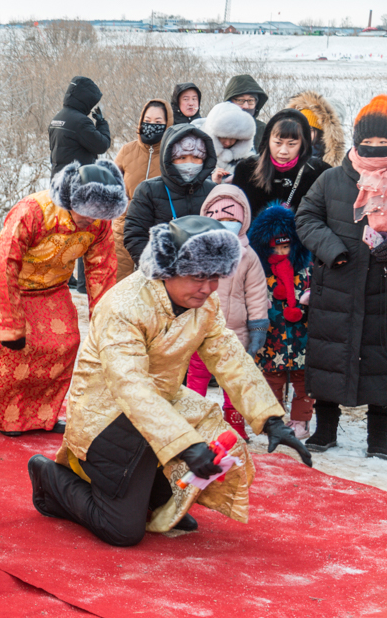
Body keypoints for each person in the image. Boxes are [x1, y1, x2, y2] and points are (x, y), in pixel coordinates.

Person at [27, 215, 312, 547]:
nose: (207, 288)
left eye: (214, 277)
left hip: (161, 407)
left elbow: (228, 355)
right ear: (167, 269)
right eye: (197, 277)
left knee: (192, 472)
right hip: (108, 415)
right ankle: (50, 476)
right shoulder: (124, 305)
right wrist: (186, 446)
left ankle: (150, 486)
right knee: (123, 531)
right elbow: (130, 387)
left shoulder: (204, 303)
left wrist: (271, 419)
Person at [0, 161, 125, 436]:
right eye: (85, 214)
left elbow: (102, 270)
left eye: (97, 216)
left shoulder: (100, 224)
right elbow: (4, 263)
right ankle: (8, 417)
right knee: (21, 347)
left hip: (54, 284)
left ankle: (42, 415)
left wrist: (105, 325)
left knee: (66, 342)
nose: (90, 222)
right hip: (13, 280)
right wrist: (9, 324)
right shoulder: (33, 211)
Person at [295, 95, 387, 460]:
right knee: (329, 358)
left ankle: (379, 437)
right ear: (355, 138)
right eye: (370, 141)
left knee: (381, 363)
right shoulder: (332, 178)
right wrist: (334, 250)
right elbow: (305, 219)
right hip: (335, 284)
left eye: (384, 143)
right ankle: (325, 429)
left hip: (381, 288)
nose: (376, 148)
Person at [185, 185, 269, 439]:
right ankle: (192, 421)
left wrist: (258, 327)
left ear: (243, 220)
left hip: (234, 334)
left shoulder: (248, 256)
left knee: (233, 383)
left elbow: (256, 293)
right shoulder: (195, 249)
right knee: (196, 379)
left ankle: (235, 425)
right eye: (218, 217)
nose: (225, 223)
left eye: (232, 218)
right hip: (199, 330)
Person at [249, 203, 314, 439]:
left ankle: (301, 420)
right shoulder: (260, 276)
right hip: (272, 340)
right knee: (271, 379)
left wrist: (311, 296)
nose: (282, 252)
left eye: (287, 247)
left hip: (301, 340)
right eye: (276, 248)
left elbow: (318, 291)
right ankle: (274, 419)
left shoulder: (306, 273)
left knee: (303, 382)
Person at [49, 76, 111, 295]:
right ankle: (84, 283)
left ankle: (62, 276)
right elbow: (102, 144)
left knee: (61, 232)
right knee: (85, 232)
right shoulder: (80, 121)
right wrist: (102, 124)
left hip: (58, 182)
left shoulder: (57, 118)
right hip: (80, 185)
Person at [124, 124, 217, 270]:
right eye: (182, 157)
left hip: (203, 276)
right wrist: (158, 268)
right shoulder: (148, 190)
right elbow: (135, 236)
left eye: (196, 157)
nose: (189, 163)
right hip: (158, 274)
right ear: (169, 158)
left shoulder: (214, 191)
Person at [223, 109, 325, 217]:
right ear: (268, 140)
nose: (283, 151)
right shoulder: (246, 169)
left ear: (303, 144)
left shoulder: (318, 172)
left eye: (292, 144)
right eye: (278, 143)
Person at [112, 99, 173, 281]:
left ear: (167, 124)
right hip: (124, 227)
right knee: (118, 285)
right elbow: (112, 183)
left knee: (153, 288)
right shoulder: (127, 150)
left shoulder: (172, 154)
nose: (151, 126)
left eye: (158, 123)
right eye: (147, 120)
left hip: (159, 229)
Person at [195, 101, 257, 182]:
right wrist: (211, 181)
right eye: (223, 137)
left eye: (232, 138)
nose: (227, 142)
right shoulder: (196, 152)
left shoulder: (248, 159)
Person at [287, 90, 346, 168]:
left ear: (323, 134)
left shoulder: (324, 165)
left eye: (310, 130)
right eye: (299, 128)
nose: (302, 133)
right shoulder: (285, 154)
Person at [222, 74, 268, 150]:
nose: (245, 106)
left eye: (250, 101)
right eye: (240, 100)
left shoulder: (263, 130)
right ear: (229, 101)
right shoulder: (217, 127)